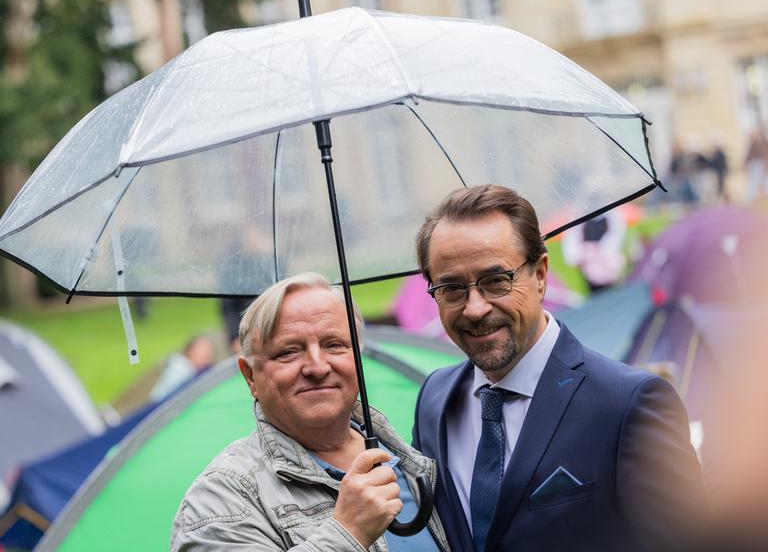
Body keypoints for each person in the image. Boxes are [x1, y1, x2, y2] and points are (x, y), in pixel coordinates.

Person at [411, 185, 707, 552]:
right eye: (452, 288)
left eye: (495, 281)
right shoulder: (434, 401)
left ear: (540, 274)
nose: (475, 308)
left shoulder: (628, 404)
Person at [171, 272, 449, 551]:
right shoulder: (222, 499)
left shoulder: (416, 458)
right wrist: (347, 533)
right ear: (250, 376)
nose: (317, 367)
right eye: (288, 352)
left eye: (334, 345)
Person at [149, 335, 215, 401]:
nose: (207, 351)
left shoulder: (197, 371)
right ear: (190, 351)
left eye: (209, 348)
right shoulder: (181, 368)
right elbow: (160, 396)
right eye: (202, 347)